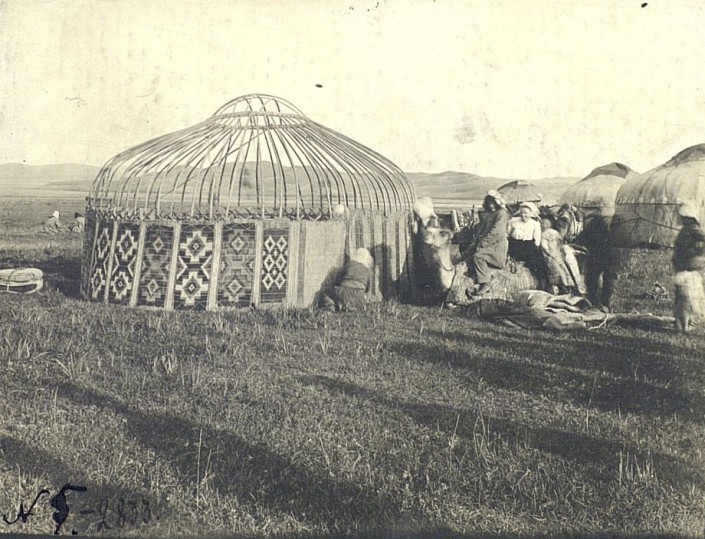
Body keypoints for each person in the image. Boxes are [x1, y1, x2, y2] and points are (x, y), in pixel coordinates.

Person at [466, 190, 509, 296]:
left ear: (497, 203)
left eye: (493, 203)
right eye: (489, 203)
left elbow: (496, 233)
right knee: (468, 254)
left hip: (496, 246)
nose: (491, 206)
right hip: (487, 243)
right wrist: (476, 242)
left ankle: (485, 284)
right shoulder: (490, 214)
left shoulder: (502, 214)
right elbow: (482, 230)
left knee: (478, 256)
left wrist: (482, 244)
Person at [575, 213, 615, 310]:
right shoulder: (609, 228)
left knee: (592, 278)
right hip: (608, 255)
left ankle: (593, 300)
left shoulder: (591, 228)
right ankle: (605, 303)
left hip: (595, 256)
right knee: (608, 279)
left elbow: (580, 240)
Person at [320, 248, 374, 312]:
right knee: (357, 300)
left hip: (344, 293)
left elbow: (338, 280)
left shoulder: (348, 265)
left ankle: (331, 306)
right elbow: (368, 290)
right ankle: (352, 306)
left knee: (326, 292)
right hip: (359, 297)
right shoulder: (368, 270)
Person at [540, 218, 584, 295]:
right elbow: (545, 248)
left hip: (556, 254)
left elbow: (560, 245)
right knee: (557, 268)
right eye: (543, 224)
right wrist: (551, 254)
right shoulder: (544, 235)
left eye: (546, 224)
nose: (544, 226)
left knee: (566, 267)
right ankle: (564, 287)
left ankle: (570, 287)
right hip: (550, 256)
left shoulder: (555, 234)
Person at [507, 201, 543, 276]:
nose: (523, 215)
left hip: (528, 246)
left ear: (531, 214)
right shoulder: (513, 221)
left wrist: (535, 249)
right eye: (521, 212)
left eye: (525, 213)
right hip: (515, 245)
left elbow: (537, 239)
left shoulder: (535, 224)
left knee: (536, 264)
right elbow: (507, 233)